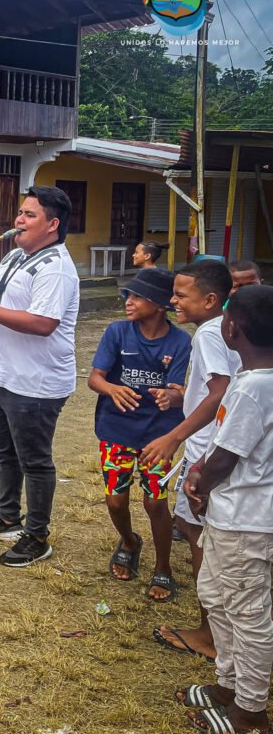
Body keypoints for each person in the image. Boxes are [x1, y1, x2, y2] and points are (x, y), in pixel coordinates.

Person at [0, 186, 79, 568]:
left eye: (29, 215)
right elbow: (2, 306)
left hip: (37, 382)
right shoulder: (14, 256)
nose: (18, 220)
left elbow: (43, 323)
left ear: (52, 224)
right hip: (5, 375)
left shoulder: (56, 267)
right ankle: (8, 516)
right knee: (4, 450)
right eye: (20, 213)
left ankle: (37, 536)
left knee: (35, 461)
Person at [180, 284, 273, 734]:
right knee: (216, 597)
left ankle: (250, 711)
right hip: (228, 514)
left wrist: (200, 481)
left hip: (246, 521)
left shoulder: (256, 387)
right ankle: (227, 685)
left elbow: (226, 458)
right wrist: (201, 471)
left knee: (247, 613)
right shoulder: (249, 379)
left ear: (233, 328)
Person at [146, 260, 240, 664]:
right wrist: (183, 396)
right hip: (214, 443)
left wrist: (175, 436)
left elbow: (220, 391)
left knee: (196, 531)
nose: (173, 301)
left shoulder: (207, 333)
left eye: (182, 295)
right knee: (197, 529)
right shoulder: (226, 328)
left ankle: (209, 632)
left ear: (210, 299)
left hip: (205, 447)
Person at [87, 269, 191, 601]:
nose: (128, 302)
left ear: (160, 305)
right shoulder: (117, 332)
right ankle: (130, 541)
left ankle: (163, 567)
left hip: (158, 435)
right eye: (127, 296)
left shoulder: (179, 341)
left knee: (155, 502)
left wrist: (171, 396)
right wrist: (111, 389)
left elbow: (178, 390)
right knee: (115, 500)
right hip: (116, 429)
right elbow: (95, 378)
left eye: (137, 297)